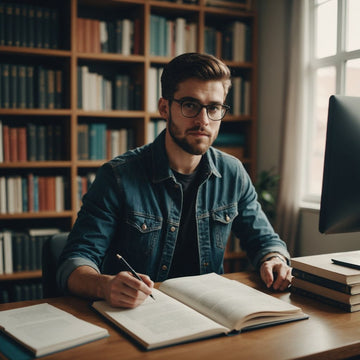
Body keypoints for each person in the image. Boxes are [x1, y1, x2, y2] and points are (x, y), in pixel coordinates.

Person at [57, 52, 292, 309]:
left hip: (208, 313)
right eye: (190, 105)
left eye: (213, 108)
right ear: (165, 108)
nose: (203, 120)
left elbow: (265, 241)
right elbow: (75, 262)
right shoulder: (118, 177)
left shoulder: (232, 172)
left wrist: (274, 258)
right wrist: (105, 285)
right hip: (137, 315)